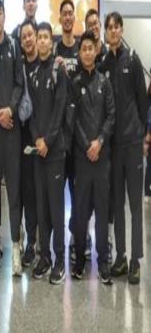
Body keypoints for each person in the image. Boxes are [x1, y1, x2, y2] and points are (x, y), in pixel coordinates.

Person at [100, 12, 147, 284]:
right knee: (116, 204)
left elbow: (143, 101)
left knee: (135, 204)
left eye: (117, 27)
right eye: (109, 27)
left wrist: (144, 134)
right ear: (106, 32)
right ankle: (120, 257)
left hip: (133, 144)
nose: (113, 31)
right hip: (114, 147)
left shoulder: (133, 60)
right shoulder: (104, 64)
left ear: (122, 30)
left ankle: (136, 260)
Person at [71, 30, 114, 284]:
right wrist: (87, 144)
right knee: (80, 212)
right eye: (83, 49)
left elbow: (111, 115)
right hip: (82, 158)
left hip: (102, 158)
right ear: (79, 53)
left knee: (102, 210)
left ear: (97, 51)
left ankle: (103, 261)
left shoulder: (104, 83)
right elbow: (73, 120)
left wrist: (99, 141)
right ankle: (79, 260)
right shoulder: (75, 83)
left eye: (91, 48)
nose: (87, 52)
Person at [29, 22, 67, 285]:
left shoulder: (58, 70)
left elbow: (60, 110)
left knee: (55, 208)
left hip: (54, 153)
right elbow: (31, 113)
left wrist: (48, 141)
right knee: (41, 208)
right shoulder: (33, 74)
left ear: (50, 42)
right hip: (37, 152)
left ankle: (59, 260)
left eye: (45, 37)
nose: (41, 41)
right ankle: (44, 257)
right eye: (39, 37)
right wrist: (36, 140)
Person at [0, 0, 24, 277]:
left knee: (13, 191)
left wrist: (9, 110)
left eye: (0, 13)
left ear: (4, 17)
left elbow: (19, 84)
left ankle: (17, 247)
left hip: (12, 129)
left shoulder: (14, 46)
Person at [53, 0, 80, 262]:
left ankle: (76, 236)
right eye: (64, 13)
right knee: (56, 193)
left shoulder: (83, 48)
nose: (68, 17)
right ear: (60, 18)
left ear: (74, 17)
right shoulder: (54, 49)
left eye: (71, 13)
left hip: (79, 134)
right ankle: (55, 243)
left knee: (77, 191)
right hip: (59, 135)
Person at [18, 20, 39, 267]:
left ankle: (39, 241)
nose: (28, 39)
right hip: (23, 137)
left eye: (30, 35)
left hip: (44, 139)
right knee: (26, 192)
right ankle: (29, 241)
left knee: (39, 193)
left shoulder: (46, 65)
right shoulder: (20, 67)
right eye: (23, 36)